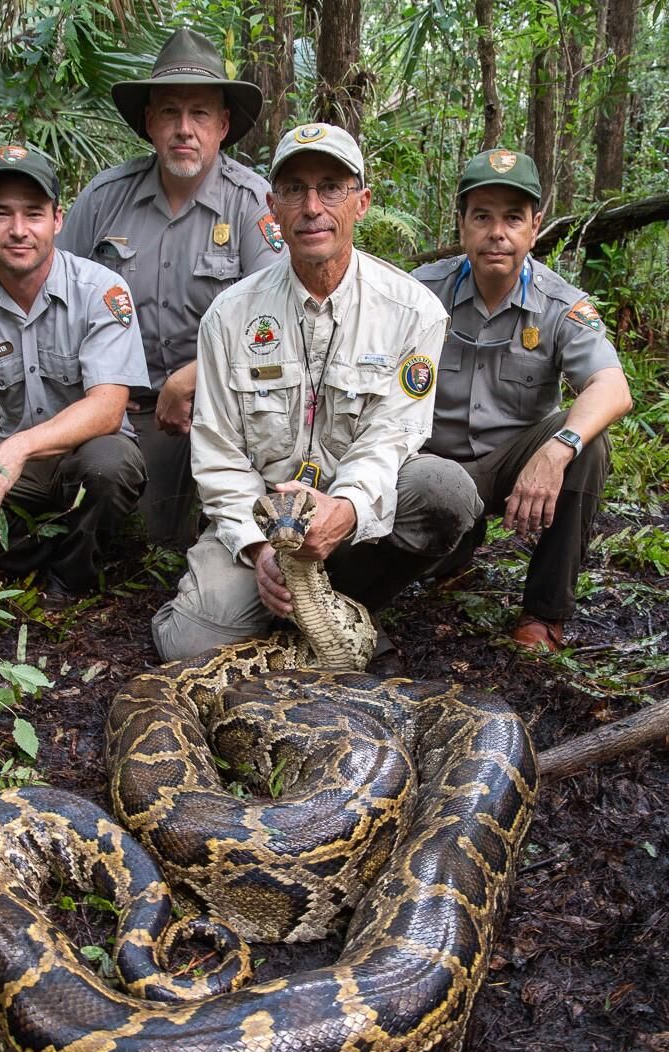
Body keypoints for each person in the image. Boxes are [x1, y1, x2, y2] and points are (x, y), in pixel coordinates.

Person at [151, 123, 483, 666]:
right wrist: (259, 550)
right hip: (260, 523)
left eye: (331, 187)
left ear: (362, 203)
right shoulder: (229, 317)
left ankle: (348, 603)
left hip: (354, 522)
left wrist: (346, 510)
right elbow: (217, 454)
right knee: (189, 647)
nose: (312, 207)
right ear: (271, 207)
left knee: (443, 490)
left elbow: (392, 436)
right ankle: (292, 609)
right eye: (294, 190)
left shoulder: (412, 311)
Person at [58, 29, 288, 546]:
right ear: (149, 122)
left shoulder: (252, 205)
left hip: (218, 413)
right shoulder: (103, 199)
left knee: (202, 535)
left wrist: (191, 376)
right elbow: (60, 302)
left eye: (200, 113)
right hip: (120, 412)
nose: (184, 129)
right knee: (114, 515)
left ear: (223, 125)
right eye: (169, 112)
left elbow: (275, 327)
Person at [0, 145, 150, 607]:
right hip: (14, 463)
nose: (18, 230)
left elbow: (107, 408)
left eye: (33, 214)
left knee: (109, 466)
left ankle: (69, 583)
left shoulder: (101, 290)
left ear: (57, 219)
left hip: (84, 452)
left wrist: (16, 449)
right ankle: (8, 566)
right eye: (1, 213)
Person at [412, 148, 632, 651]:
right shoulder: (419, 294)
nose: (497, 233)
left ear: (535, 227)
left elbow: (613, 387)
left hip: (516, 466)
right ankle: (450, 555)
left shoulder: (560, 306)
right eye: (482, 216)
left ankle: (543, 615)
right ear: (463, 224)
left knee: (586, 444)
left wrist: (558, 450)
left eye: (513, 218)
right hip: (428, 464)